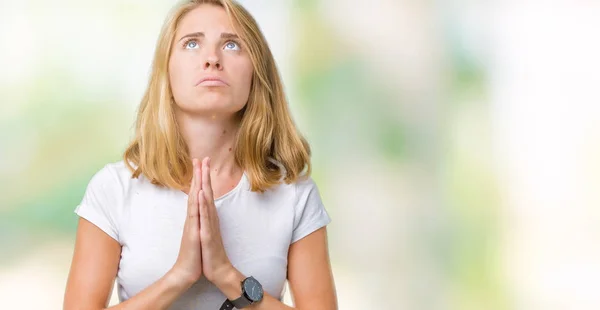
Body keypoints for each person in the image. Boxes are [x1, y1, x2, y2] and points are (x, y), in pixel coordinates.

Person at [63, 0, 337, 309]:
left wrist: (226, 275)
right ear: (167, 71)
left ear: (256, 74)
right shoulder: (113, 189)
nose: (211, 59)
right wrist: (179, 276)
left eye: (232, 45)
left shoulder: (295, 196)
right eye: (191, 43)